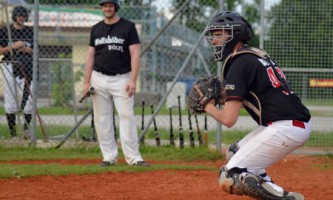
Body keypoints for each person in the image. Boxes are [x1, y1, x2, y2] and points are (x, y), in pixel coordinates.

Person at [204, 11, 311, 200]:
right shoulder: (252, 55)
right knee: (235, 152)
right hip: (289, 124)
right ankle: (284, 195)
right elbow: (254, 97)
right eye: (213, 35)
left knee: (231, 175)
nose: (214, 41)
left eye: (219, 34)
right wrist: (221, 98)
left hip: (285, 128)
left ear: (234, 35)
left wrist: (207, 105)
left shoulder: (238, 63)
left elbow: (228, 120)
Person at [83, 0, 149, 167]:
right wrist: (86, 82)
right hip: (98, 77)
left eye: (110, 6)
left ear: (116, 7)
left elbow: (135, 54)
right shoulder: (96, 29)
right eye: (105, 6)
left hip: (122, 78)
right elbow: (90, 56)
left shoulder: (128, 27)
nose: (107, 8)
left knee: (126, 116)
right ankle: (109, 157)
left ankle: (134, 158)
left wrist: (133, 79)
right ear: (102, 8)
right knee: (102, 118)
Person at [0, 6, 34, 139]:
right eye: (19, 15)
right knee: (11, 99)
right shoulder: (5, 30)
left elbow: (35, 50)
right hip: (10, 66)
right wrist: (13, 47)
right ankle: (13, 134)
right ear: (15, 16)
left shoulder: (30, 31)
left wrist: (25, 49)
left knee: (30, 99)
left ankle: (26, 129)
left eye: (24, 16)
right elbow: (1, 50)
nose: (22, 18)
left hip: (27, 67)